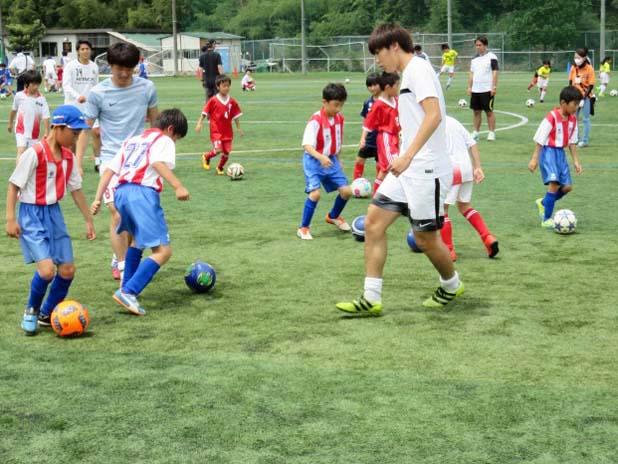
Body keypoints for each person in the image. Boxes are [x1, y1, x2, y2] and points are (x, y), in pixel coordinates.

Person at [336, 23, 463, 315]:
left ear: (394, 45)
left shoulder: (418, 70)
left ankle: (452, 285)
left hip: (427, 170)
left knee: (425, 239)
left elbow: (434, 116)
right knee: (373, 223)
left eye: (378, 53)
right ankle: (371, 298)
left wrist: (407, 155)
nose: (377, 61)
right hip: (408, 169)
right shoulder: (409, 73)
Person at [5, 105, 95, 335]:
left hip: (54, 214)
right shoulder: (34, 153)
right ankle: (31, 310)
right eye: (73, 133)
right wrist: (10, 219)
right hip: (31, 214)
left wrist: (88, 220)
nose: (76, 138)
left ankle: (47, 313)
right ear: (58, 127)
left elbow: (76, 190)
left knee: (67, 271)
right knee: (46, 271)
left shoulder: (69, 158)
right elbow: (14, 185)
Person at [91, 109, 190, 316]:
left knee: (136, 242)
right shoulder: (164, 140)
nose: (175, 142)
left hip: (121, 193)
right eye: (177, 138)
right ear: (171, 129)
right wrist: (178, 186)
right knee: (163, 251)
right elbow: (156, 162)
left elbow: (109, 169)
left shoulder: (133, 140)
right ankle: (129, 291)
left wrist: (98, 198)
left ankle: (125, 287)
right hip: (142, 195)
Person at [83, 42, 159, 281]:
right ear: (110, 66)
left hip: (139, 162)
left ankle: (120, 255)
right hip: (111, 160)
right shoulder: (98, 93)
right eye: (119, 69)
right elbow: (85, 130)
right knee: (116, 213)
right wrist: (77, 162)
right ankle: (125, 265)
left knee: (133, 217)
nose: (125, 74)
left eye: (129, 68)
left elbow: (155, 125)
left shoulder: (147, 88)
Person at [297, 83, 352, 240]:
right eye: (336, 105)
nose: (339, 109)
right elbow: (307, 145)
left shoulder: (340, 119)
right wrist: (320, 157)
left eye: (341, 105)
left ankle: (333, 216)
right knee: (315, 194)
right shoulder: (315, 120)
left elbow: (338, 141)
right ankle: (303, 228)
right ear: (324, 102)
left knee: (346, 191)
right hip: (314, 161)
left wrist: (338, 159)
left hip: (331, 160)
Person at [440, 115, 498, 261]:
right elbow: (472, 143)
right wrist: (477, 167)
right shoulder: (454, 121)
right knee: (465, 206)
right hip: (466, 167)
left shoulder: (432, 123)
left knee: (442, 210)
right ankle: (487, 237)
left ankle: (449, 250)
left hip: (451, 170)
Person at [528, 86, 583, 228]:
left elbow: (572, 142)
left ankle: (544, 202)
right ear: (564, 103)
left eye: (578, 104)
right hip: (548, 153)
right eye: (574, 104)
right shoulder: (552, 117)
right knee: (554, 183)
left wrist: (576, 161)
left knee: (567, 187)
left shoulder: (573, 120)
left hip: (561, 154)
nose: (576, 107)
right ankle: (546, 219)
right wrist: (534, 159)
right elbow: (540, 138)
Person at [359, 72, 400, 195]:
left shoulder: (396, 100)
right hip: (386, 138)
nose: (398, 87)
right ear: (388, 87)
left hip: (395, 138)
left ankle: (376, 196)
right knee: (398, 166)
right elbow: (368, 122)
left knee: (385, 169)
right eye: (397, 85)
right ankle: (401, 198)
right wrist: (363, 139)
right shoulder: (379, 105)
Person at [63, 40, 99, 175]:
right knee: (73, 137)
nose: (85, 51)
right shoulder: (71, 66)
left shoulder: (94, 66)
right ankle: (72, 163)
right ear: (78, 51)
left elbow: (96, 86)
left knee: (95, 133)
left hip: (90, 107)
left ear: (91, 50)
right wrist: (78, 96)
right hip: (73, 106)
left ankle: (97, 162)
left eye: (87, 48)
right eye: (82, 49)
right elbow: (66, 85)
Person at [196, 74, 243, 175]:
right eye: (224, 86)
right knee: (218, 150)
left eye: (228, 86)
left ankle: (220, 167)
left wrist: (239, 128)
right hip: (216, 131)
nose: (226, 88)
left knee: (226, 153)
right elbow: (204, 112)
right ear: (218, 87)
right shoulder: (213, 100)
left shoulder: (232, 101)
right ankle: (206, 157)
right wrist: (199, 123)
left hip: (228, 132)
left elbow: (235, 116)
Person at [8, 71, 50, 159]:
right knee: (21, 150)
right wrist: (10, 123)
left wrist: (46, 131)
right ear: (26, 84)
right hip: (21, 129)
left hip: (34, 133)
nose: (36, 87)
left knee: (32, 156)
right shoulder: (19, 96)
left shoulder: (42, 99)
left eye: (38, 84)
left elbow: (46, 116)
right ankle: (19, 172)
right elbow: (13, 110)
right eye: (33, 84)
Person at [468, 36, 499, 141]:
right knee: (476, 112)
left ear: (485, 45)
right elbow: (471, 74)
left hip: (487, 89)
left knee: (488, 111)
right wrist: (469, 87)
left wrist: (493, 86)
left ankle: (491, 133)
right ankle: (476, 132)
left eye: (480, 45)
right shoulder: (474, 59)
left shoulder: (492, 57)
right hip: (476, 90)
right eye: (476, 45)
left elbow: (495, 72)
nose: (478, 47)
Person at [353, 73, 381, 180]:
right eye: (370, 85)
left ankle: (379, 187)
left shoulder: (386, 101)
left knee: (379, 164)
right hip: (369, 139)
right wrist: (362, 138)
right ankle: (357, 183)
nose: (372, 88)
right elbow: (366, 121)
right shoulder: (367, 102)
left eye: (375, 85)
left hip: (380, 140)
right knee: (359, 160)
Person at [568, 48, 595, 148]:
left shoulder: (589, 68)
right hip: (574, 97)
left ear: (584, 58)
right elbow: (570, 82)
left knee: (585, 119)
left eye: (578, 57)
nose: (576, 59)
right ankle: (575, 139)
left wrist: (584, 99)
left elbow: (591, 85)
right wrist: (570, 95)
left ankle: (585, 141)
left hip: (586, 97)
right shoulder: (573, 68)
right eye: (575, 57)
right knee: (573, 118)